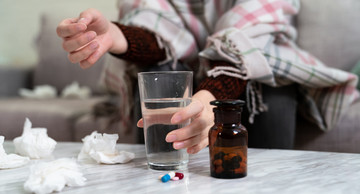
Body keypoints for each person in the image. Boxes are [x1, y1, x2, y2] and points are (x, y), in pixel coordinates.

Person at [57, 0, 358, 154]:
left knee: (274, 93)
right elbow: (157, 31)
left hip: (254, 74)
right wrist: (117, 34)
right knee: (159, 78)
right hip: (176, 69)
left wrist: (208, 99)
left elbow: (247, 40)